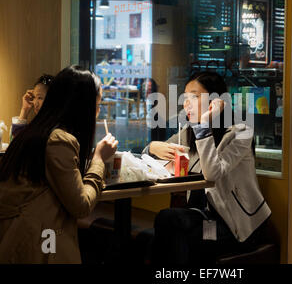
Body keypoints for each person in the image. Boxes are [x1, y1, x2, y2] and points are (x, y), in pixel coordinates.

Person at [143, 71, 272, 265]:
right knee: (168, 223)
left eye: (194, 97)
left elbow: (212, 173)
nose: (186, 103)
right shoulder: (188, 133)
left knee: (174, 226)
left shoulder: (241, 132)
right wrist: (151, 147)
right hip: (205, 218)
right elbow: (153, 160)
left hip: (237, 225)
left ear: (216, 102)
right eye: (185, 98)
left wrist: (203, 124)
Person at [0, 65, 118, 264]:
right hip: (37, 241)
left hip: (20, 235)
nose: (97, 112)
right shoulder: (59, 140)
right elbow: (81, 205)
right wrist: (99, 159)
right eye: (96, 106)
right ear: (82, 106)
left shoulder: (35, 133)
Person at [11, 74, 54, 139]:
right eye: (34, 97)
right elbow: (17, 142)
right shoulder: (38, 123)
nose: (35, 103)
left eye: (40, 98)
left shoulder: (54, 129)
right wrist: (25, 109)